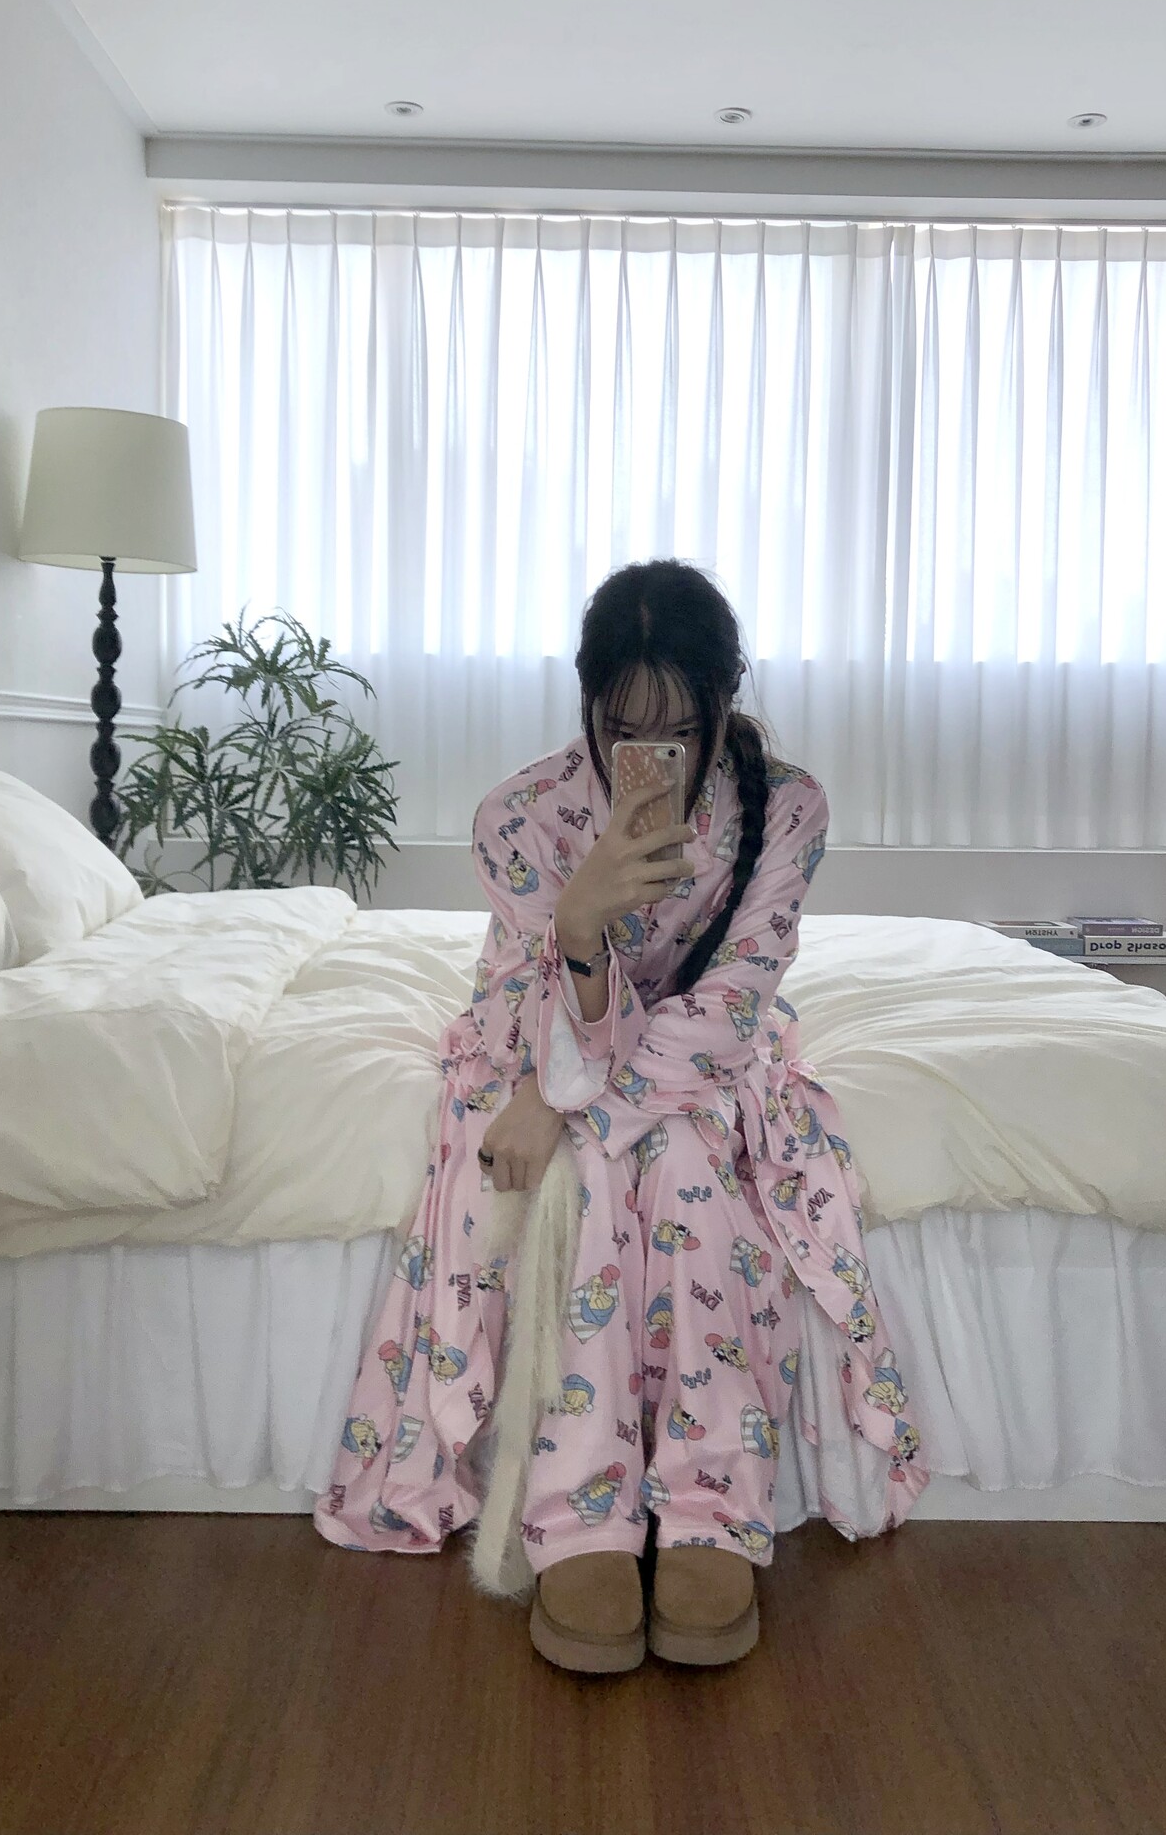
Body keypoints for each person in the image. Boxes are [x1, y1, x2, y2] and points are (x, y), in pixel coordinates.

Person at [314, 558, 928, 1671]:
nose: (653, 756)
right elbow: (532, 1007)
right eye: (624, 729)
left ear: (726, 702)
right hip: (536, 1034)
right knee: (597, 1168)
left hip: (671, 1061)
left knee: (682, 1158)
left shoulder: (787, 808)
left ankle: (709, 1503)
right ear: (588, 707)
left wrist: (562, 1102)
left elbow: (729, 1015)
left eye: (680, 731)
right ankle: (580, 1506)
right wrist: (583, 924)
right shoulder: (519, 818)